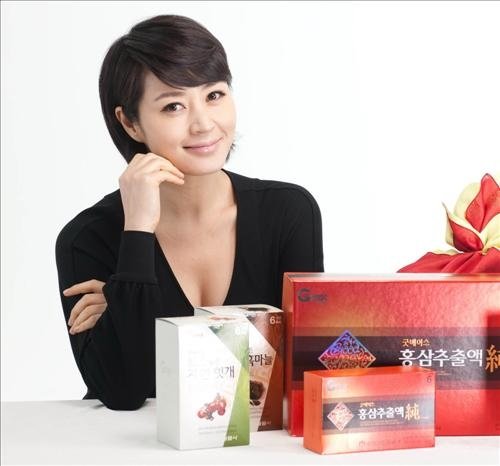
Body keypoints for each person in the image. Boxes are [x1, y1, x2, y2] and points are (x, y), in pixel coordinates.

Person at [55, 14, 324, 411]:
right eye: (174, 106)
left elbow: (298, 373)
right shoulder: (88, 237)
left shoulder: (288, 213)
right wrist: (137, 232)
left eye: (214, 95)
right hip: (127, 442)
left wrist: (124, 306)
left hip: (253, 442)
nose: (203, 124)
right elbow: (123, 393)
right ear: (130, 123)